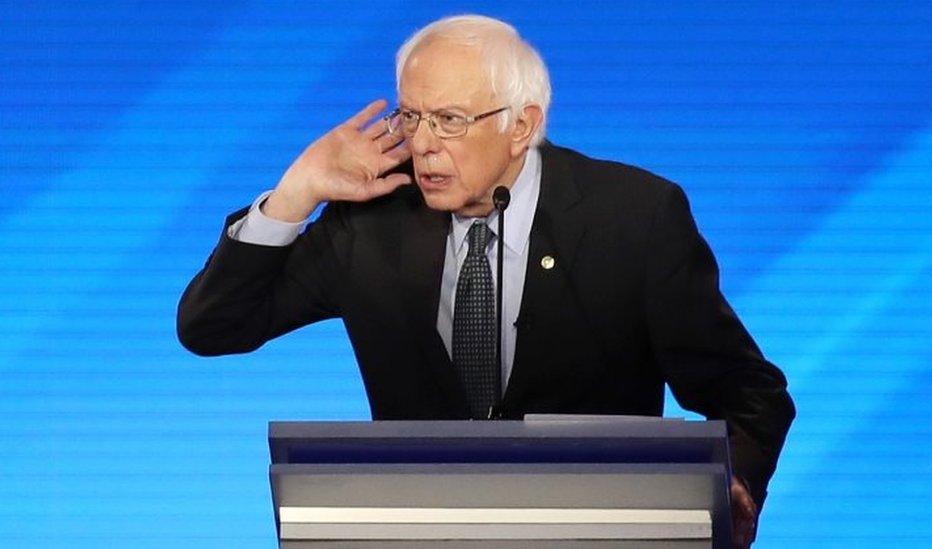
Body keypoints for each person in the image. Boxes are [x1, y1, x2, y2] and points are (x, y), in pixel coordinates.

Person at [177, 14, 795, 548]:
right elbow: (213, 327)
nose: (422, 144)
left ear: (522, 126)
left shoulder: (632, 218)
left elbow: (750, 393)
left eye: (449, 119)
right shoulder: (368, 224)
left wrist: (731, 490)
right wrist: (297, 191)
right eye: (411, 115)